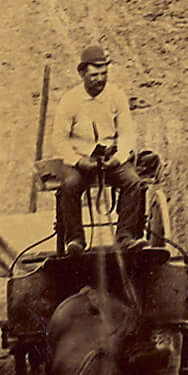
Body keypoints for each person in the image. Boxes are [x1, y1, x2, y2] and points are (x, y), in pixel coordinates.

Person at [49, 46, 147, 250]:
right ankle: (74, 240)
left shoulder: (116, 96)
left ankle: (126, 237)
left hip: (110, 157)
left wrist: (119, 158)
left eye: (104, 74)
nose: (100, 80)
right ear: (82, 73)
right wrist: (77, 161)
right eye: (94, 75)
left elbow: (127, 133)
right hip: (79, 158)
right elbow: (59, 139)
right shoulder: (71, 100)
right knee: (70, 185)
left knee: (133, 182)